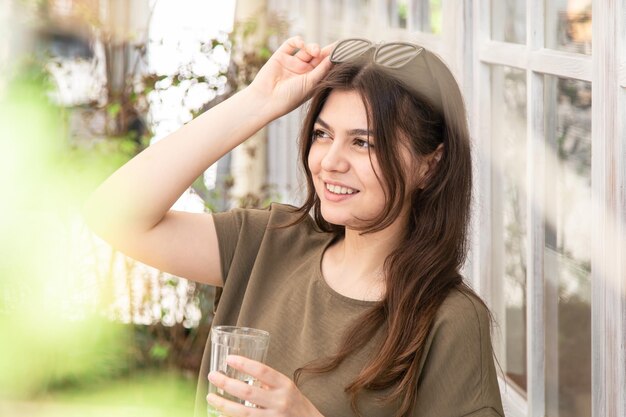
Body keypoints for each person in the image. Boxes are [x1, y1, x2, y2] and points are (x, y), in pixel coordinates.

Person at [84, 37, 505, 417]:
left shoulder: (449, 320)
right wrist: (258, 102)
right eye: (323, 135)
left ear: (429, 166)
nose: (329, 161)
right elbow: (114, 214)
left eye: (364, 142)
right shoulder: (272, 242)